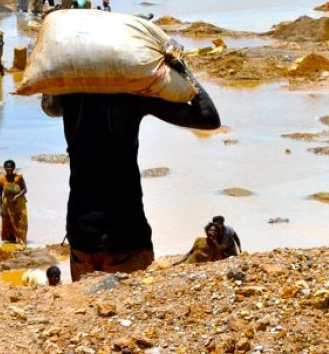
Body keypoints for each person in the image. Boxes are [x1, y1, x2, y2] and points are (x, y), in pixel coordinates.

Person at [41, 60, 221, 281]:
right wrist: (180, 67)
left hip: (80, 237)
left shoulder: (68, 97)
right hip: (125, 235)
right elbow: (209, 118)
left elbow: (49, 103)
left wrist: (53, 67)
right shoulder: (135, 96)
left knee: (88, 310)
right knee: (127, 310)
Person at [0, 159, 28, 245]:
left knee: (21, 222)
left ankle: (22, 240)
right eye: (7, 167)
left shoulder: (19, 178)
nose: (9, 169)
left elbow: (25, 189)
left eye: (11, 167)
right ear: (4, 168)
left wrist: (17, 196)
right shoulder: (1, 180)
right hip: (7, 205)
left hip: (19, 203)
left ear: (14, 168)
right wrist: (0, 208)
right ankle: (11, 240)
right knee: (8, 222)